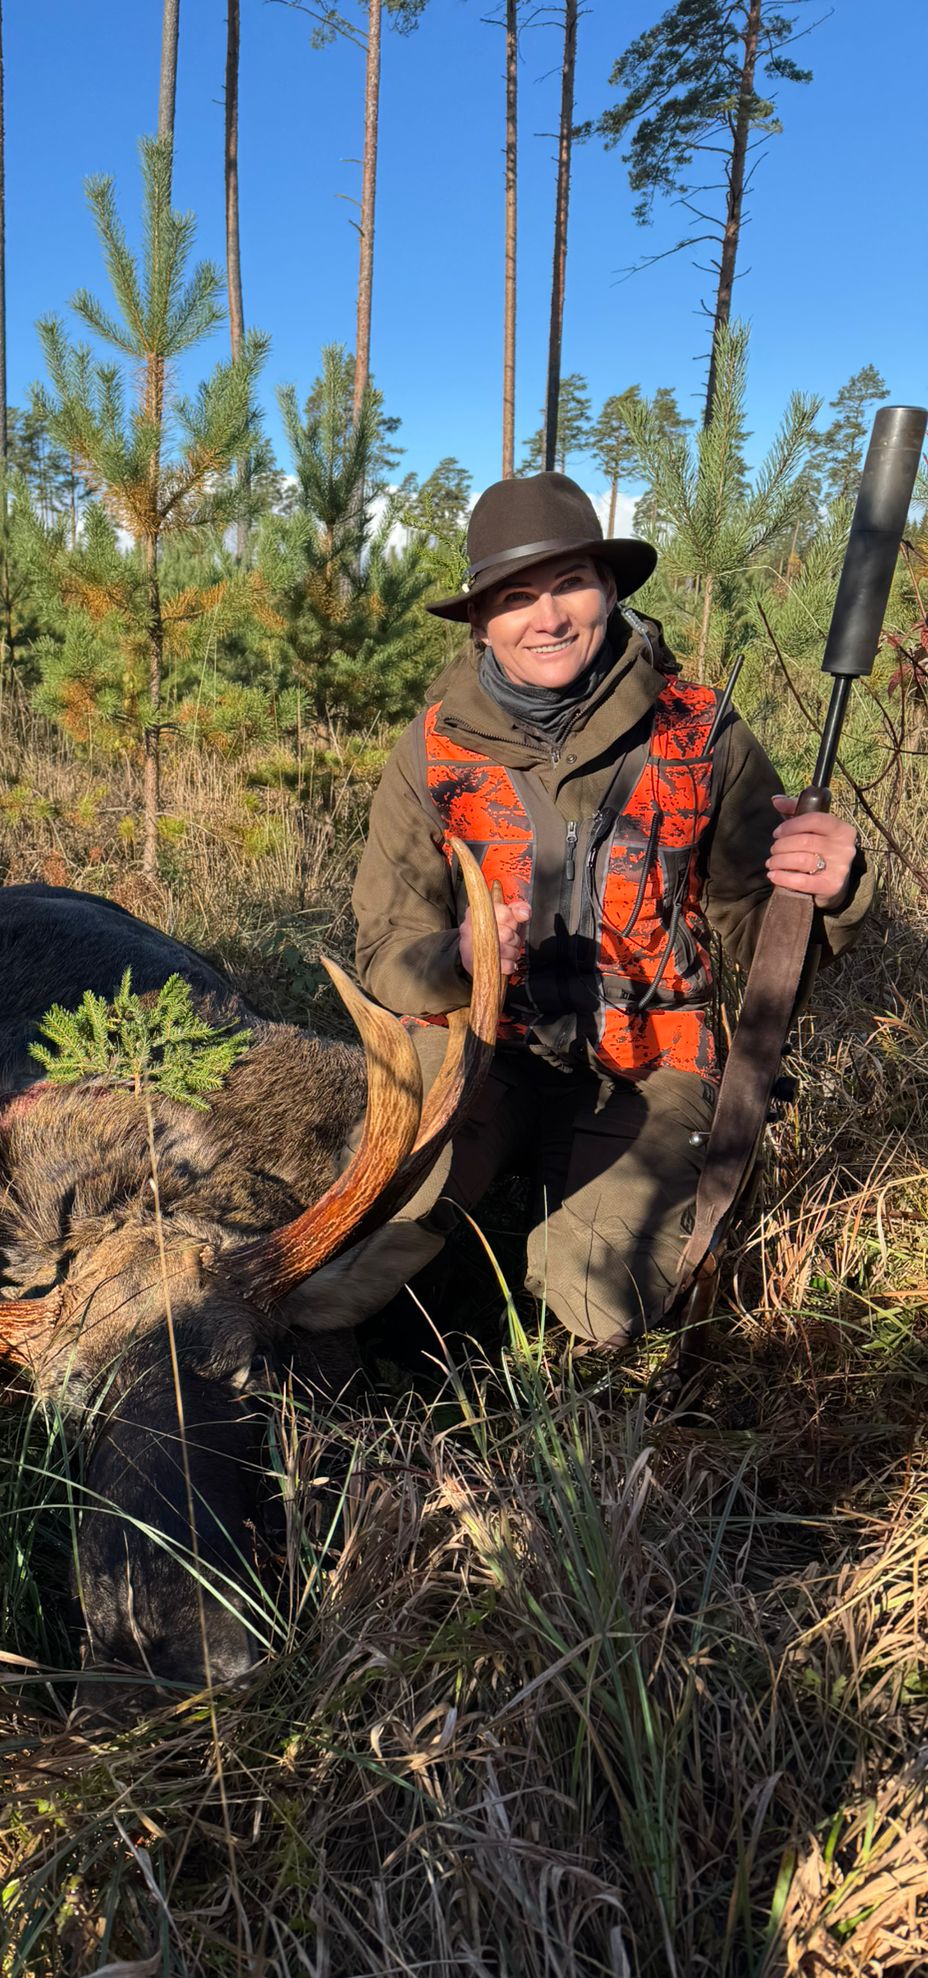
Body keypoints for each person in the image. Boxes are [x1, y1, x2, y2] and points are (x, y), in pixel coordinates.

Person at [337, 471, 871, 1347]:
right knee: (354, 1256)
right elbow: (386, 945)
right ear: (481, 622)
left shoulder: (704, 734)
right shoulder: (431, 752)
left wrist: (827, 888)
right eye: (515, 598)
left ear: (610, 589)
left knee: (601, 1305)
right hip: (478, 1047)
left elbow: (760, 929)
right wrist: (459, 959)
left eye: (570, 584)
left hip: (652, 1062)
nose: (547, 618)